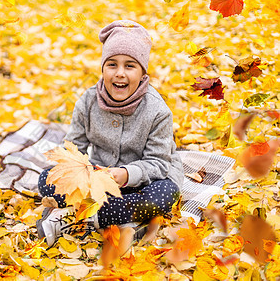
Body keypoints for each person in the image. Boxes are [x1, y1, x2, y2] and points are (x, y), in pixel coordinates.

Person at [37, 20, 184, 247]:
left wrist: (126, 174)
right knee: (47, 179)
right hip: (99, 178)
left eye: (130, 66)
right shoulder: (88, 101)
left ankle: (81, 217)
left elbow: (159, 164)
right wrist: (82, 173)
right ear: (103, 68)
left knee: (164, 195)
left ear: (143, 72)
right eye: (112, 65)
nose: (120, 74)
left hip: (145, 180)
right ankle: (121, 219)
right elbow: (73, 148)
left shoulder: (157, 111)